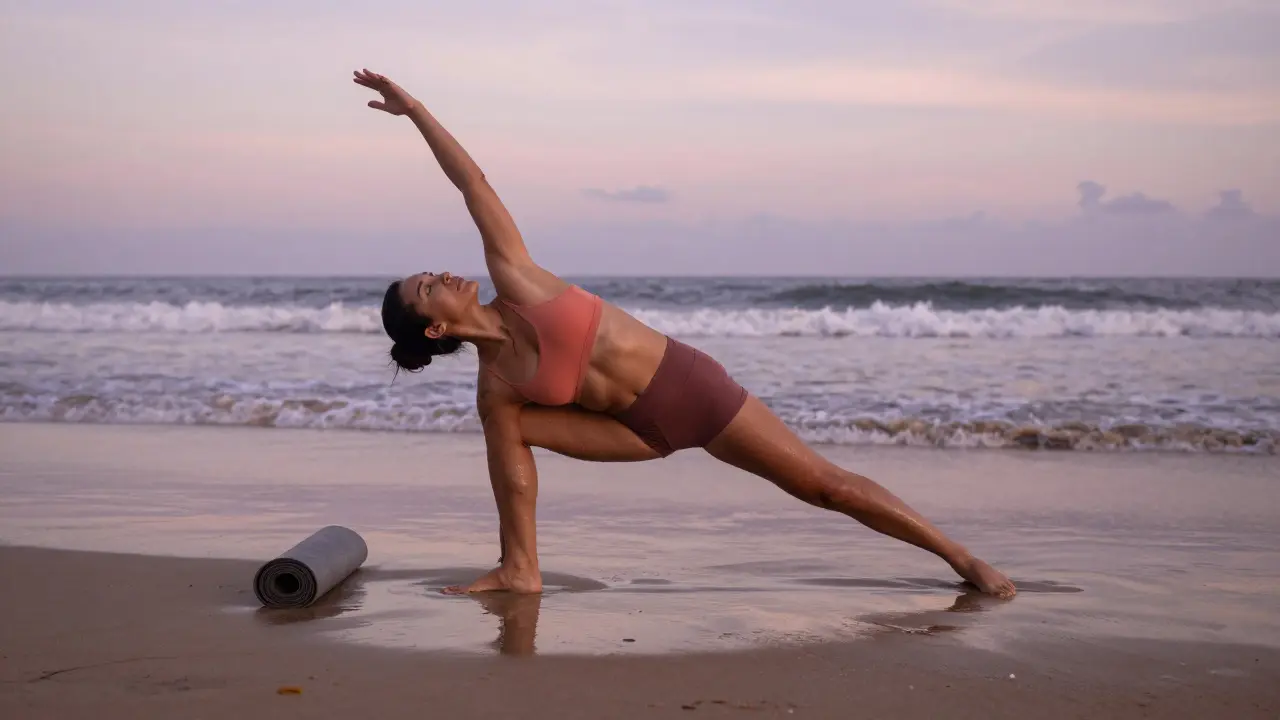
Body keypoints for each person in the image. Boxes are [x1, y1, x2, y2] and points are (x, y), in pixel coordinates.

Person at [354, 68, 1017, 600]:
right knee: (504, 433)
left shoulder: (517, 276)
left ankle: (961, 557)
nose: (441, 274)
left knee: (826, 487)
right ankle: (521, 568)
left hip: (693, 392)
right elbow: (516, 482)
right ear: (436, 325)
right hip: (639, 434)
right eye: (426, 287)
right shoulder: (495, 386)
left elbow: (472, 183)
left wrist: (415, 112)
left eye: (430, 273)